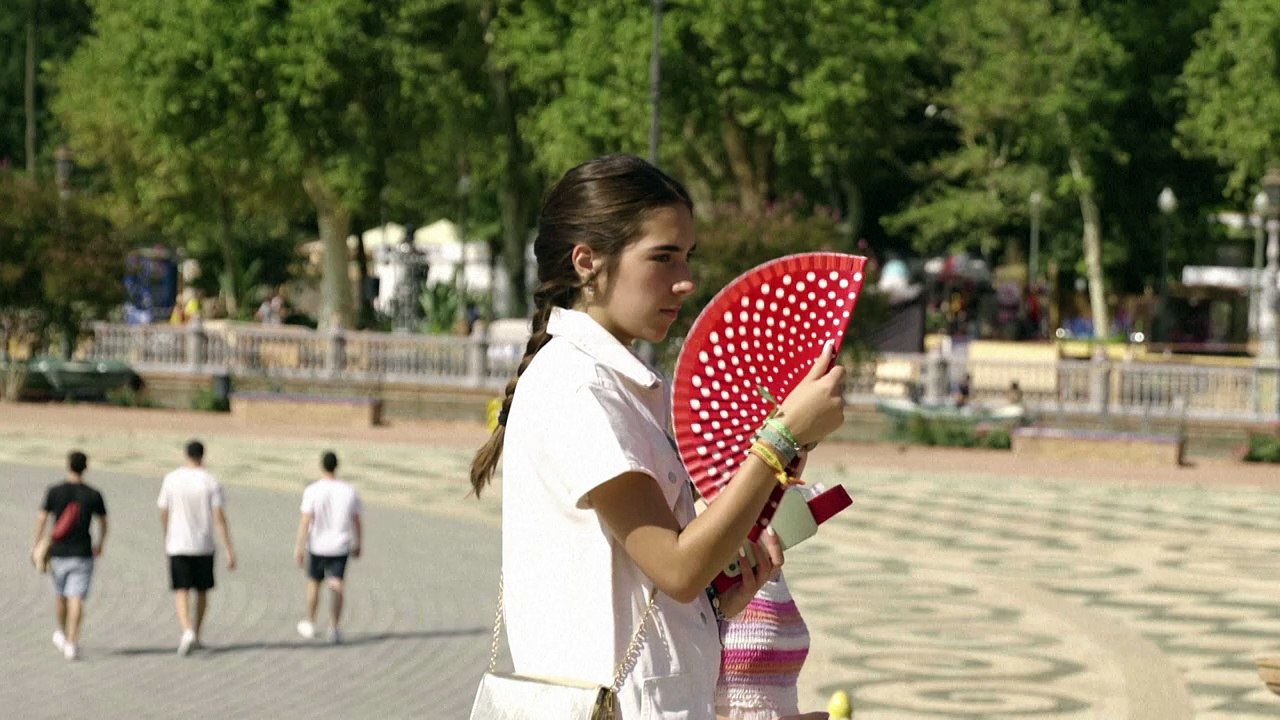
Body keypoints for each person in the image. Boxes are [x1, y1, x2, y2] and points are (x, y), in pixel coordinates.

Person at [469, 154, 846, 718]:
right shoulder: (579, 388)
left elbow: (658, 582)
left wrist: (720, 596)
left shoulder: (617, 385)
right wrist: (784, 436)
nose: (685, 280)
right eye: (662, 257)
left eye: (687, 256)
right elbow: (676, 567)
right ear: (587, 262)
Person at [158, 440, 237, 656]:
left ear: (185, 454)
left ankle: (187, 630)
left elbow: (164, 510)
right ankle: (197, 631)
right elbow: (219, 517)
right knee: (202, 590)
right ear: (203, 455)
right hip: (203, 544)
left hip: (178, 542)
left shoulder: (172, 479)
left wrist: (167, 531)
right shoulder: (210, 481)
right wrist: (229, 548)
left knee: (181, 589)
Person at [31, 450, 107, 661]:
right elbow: (103, 522)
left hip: (58, 553)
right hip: (82, 553)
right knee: (77, 599)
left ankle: (63, 633)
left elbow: (42, 518)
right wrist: (101, 543)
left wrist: (36, 544)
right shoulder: (93, 494)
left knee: (60, 595)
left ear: (68, 466)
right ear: (86, 467)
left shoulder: (54, 491)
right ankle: (72, 642)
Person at [293, 450, 362, 644]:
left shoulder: (313, 490)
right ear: (337, 466)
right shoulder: (349, 490)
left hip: (317, 545)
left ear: (322, 466)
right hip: (340, 545)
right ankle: (334, 627)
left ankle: (311, 622)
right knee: (338, 584)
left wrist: (299, 546)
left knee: (314, 583)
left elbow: (306, 520)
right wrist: (359, 542)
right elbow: (357, 520)